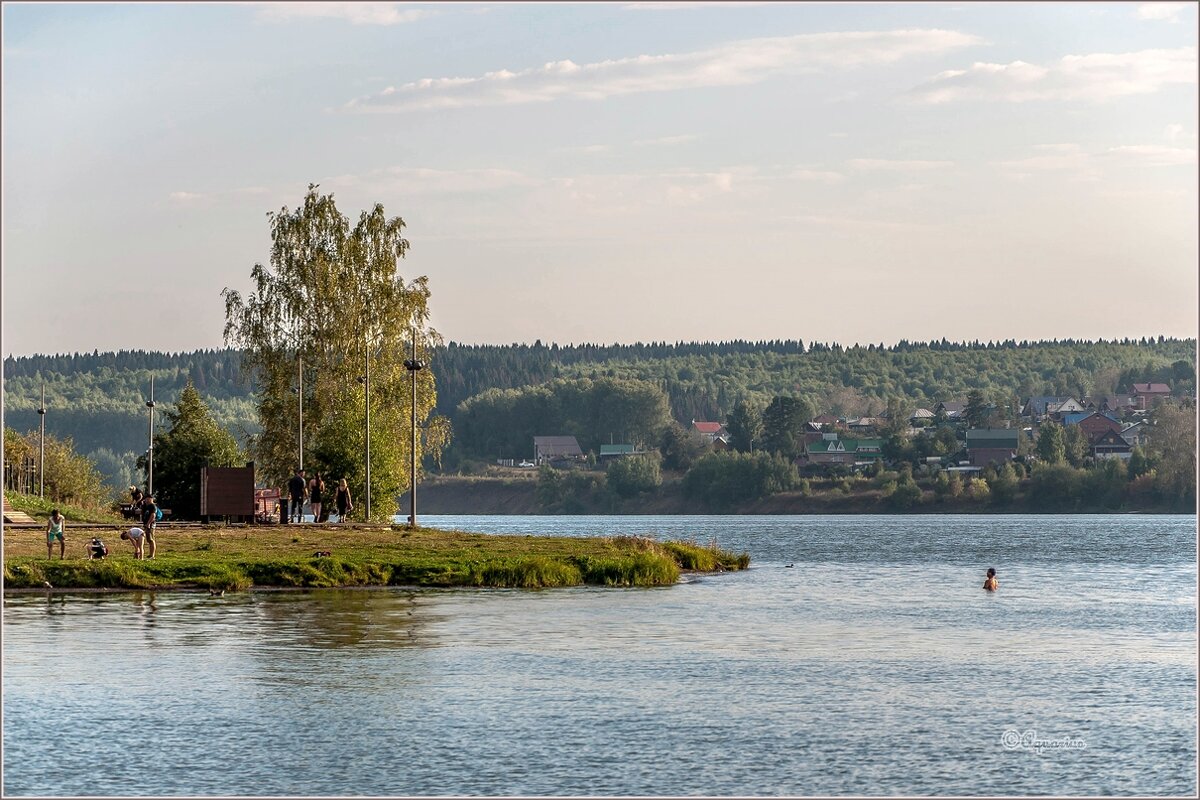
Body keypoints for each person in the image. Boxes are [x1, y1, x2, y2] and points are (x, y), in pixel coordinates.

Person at [141, 494, 159, 559]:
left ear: (151, 499)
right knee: (148, 539)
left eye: (148, 498)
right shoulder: (145, 506)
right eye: (146, 498)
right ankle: (150, 554)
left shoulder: (152, 506)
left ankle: (152, 555)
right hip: (146, 524)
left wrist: (148, 523)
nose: (147, 500)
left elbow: (153, 516)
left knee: (151, 539)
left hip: (151, 525)